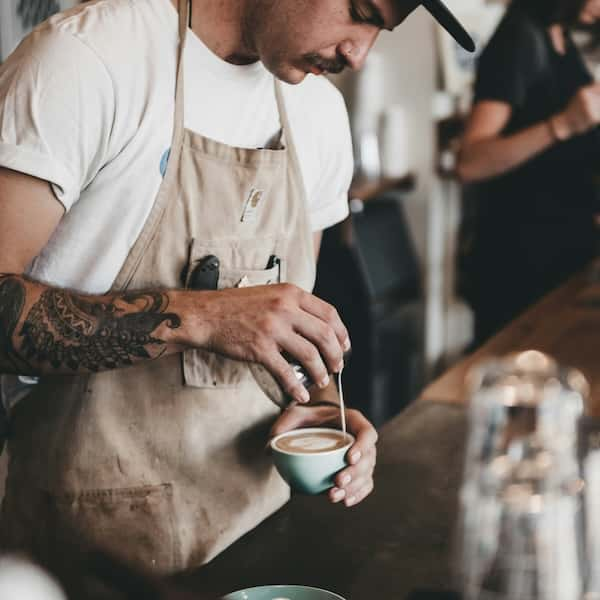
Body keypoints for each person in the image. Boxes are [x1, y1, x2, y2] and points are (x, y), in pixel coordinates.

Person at [0, 0, 474, 573]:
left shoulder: (318, 114)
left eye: (381, 29)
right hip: (90, 556)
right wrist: (201, 317)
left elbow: (287, 330)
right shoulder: (87, 60)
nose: (360, 52)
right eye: (359, 11)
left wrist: (321, 410)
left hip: (258, 539)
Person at [457, 0, 600, 346]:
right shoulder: (519, 38)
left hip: (565, 258)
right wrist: (563, 125)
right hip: (519, 267)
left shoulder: (560, 37)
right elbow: (471, 162)